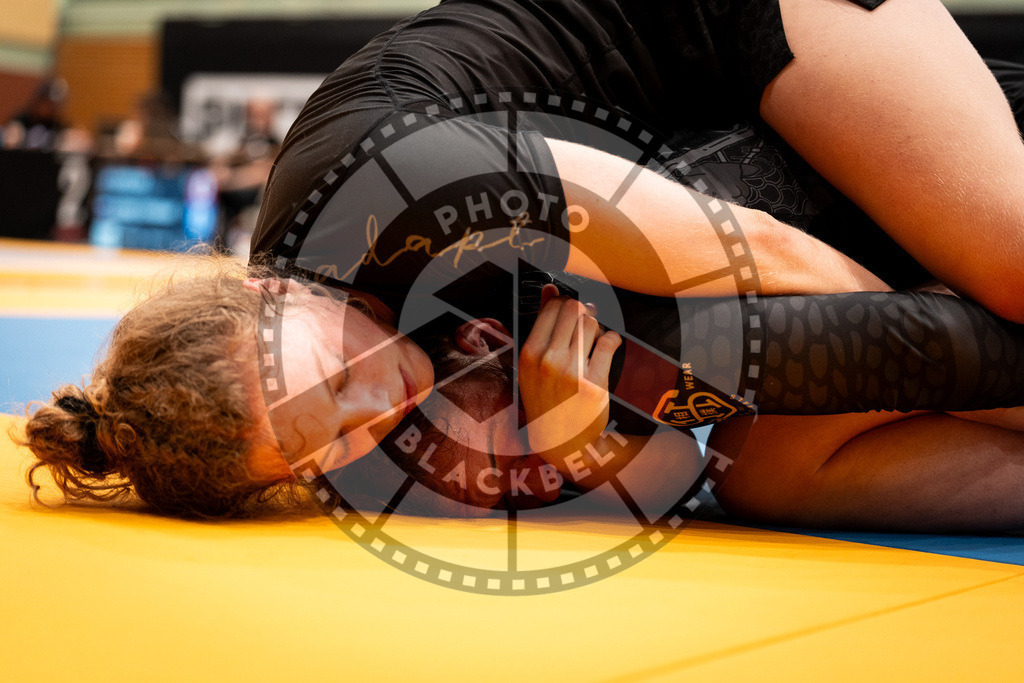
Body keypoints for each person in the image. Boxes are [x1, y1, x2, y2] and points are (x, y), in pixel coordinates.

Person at [18, 0, 1024, 527]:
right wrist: (577, 443)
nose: (377, 404)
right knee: (769, 473)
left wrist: (954, 326)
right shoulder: (356, 432)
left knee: (1005, 267)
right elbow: (678, 455)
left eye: (333, 379)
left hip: (720, 23)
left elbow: (754, 253)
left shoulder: (387, 182)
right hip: (687, 155)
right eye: (324, 446)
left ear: (268, 288)